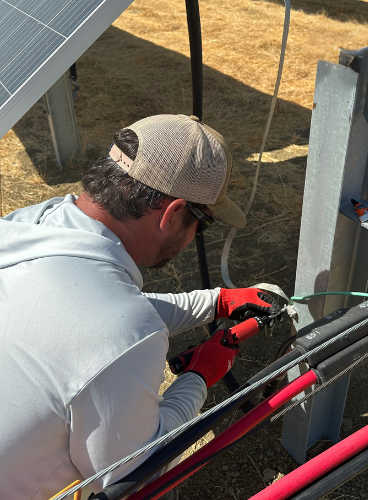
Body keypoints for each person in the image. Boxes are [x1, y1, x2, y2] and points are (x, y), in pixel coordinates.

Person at [0, 114, 280, 500]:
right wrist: (199, 376)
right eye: (205, 221)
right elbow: (135, 476)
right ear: (172, 214)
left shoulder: (33, 224)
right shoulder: (118, 332)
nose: (197, 234)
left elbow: (90, 317)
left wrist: (213, 302)